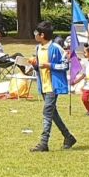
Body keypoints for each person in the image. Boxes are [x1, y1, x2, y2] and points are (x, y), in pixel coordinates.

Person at [29, 20, 76, 152]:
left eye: (36, 33)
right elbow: (39, 66)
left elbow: (66, 65)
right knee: (52, 114)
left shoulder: (56, 48)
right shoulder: (38, 48)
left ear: (42, 35)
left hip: (53, 86)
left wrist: (51, 66)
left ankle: (44, 143)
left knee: (47, 112)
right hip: (43, 85)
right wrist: (34, 65)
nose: (35, 35)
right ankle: (68, 136)